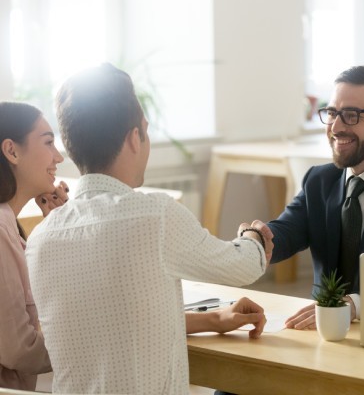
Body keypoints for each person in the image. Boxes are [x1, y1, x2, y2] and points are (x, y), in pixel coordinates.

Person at [25, 63, 274, 394]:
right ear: (134, 138)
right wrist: (253, 236)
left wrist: (214, 318)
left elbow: (112, 325)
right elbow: (245, 265)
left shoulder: (40, 239)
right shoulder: (155, 215)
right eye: (145, 129)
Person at [267, 65, 364, 330]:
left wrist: (355, 305)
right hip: (323, 333)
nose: (336, 127)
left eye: (351, 115)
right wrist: (256, 239)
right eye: (331, 113)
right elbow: (284, 232)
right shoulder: (319, 181)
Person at [0, 101, 69, 390]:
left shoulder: (9, 224)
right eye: (49, 142)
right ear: (12, 151)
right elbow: (19, 349)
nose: (58, 158)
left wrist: (59, 227)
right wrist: (93, 345)